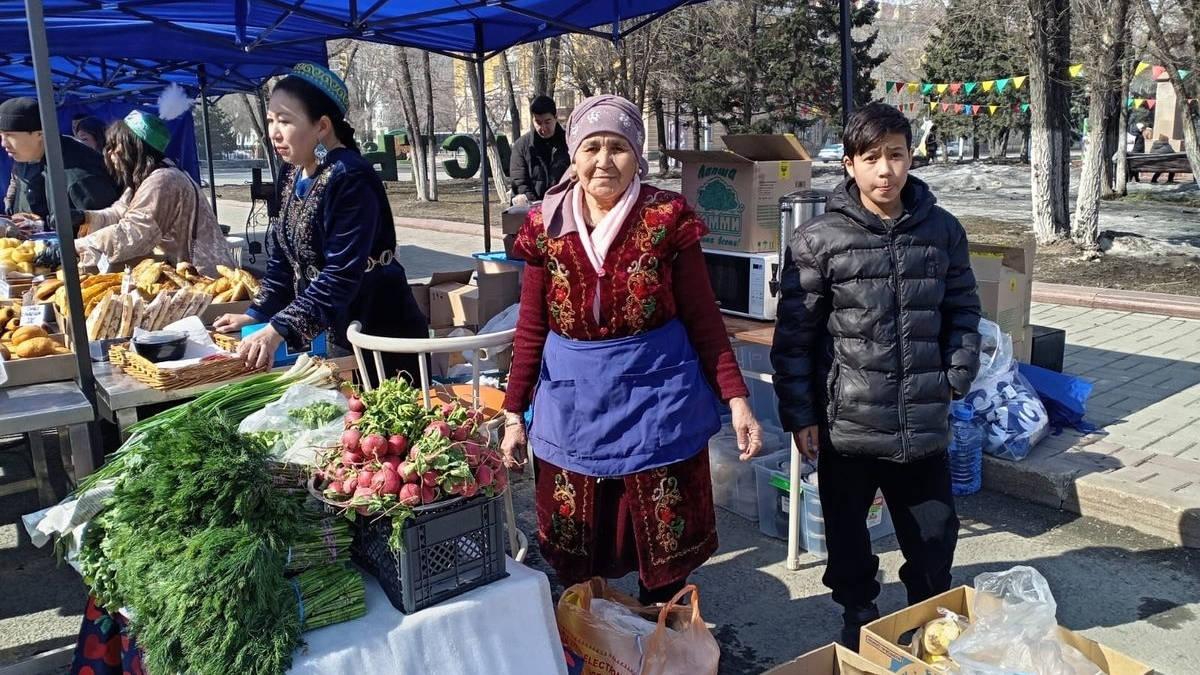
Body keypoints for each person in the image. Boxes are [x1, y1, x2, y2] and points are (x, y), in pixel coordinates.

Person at [500, 94, 764, 604]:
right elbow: (531, 327)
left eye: (617, 147)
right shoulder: (544, 225)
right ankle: (588, 634)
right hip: (575, 404)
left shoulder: (666, 217)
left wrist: (736, 399)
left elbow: (703, 317)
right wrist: (514, 412)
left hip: (656, 402)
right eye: (592, 147)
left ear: (637, 154)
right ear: (573, 154)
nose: (604, 161)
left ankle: (662, 633)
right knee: (579, 552)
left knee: (662, 553)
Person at [771, 102, 981, 649]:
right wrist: (801, 415)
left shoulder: (942, 230)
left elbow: (963, 309)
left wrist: (956, 373)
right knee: (847, 537)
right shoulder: (818, 239)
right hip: (849, 423)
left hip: (922, 420)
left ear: (911, 157)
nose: (885, 170)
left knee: (935, 536)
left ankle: (926, 613)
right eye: (871, 157)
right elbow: (795, 338)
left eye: (896, 154)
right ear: (849, 164)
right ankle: (858, 611)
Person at [214, 63, 428, 375]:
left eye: (285, 121)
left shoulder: (350, 177)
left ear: (322, 126)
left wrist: (279, 328)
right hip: (332, 327)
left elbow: (341, 273)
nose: (273, 132)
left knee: (379, 403)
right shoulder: (292, 172)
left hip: (379, 329)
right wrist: (258, 313)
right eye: (271, 120)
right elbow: (283, 258)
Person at [74, 111, 233, 275]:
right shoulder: (146, 179)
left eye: (115, 145)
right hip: (185, 270)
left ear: (134, 147)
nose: (109, 153)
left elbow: (134, 232)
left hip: (205, 273)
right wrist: (85, 217)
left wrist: (77, 247)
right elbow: (119, 213)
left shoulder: (163, 180)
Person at [0, 97, 118, 233]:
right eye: (1, 135)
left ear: (39, 134)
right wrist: (38, 223)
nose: (3, 143)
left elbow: (103, 228)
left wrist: (45, 228)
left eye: (9, 135)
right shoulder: (38, 156)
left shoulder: (79, 173)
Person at [508, 95, 570, 205]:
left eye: (547, 122)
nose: (543, 128)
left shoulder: (569, 142)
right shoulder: (522, 146)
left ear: (556, 117)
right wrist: (536, 206)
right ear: (533, 120)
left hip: (564, 204)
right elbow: (520, 182)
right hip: (532, 206)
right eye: (538, 123)